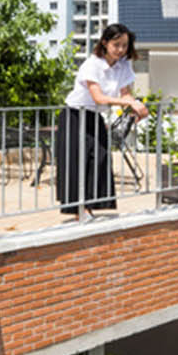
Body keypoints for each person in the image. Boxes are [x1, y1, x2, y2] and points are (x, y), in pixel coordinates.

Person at [56, 23, 148, 220]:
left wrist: (136, 106)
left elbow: (125, 94)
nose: (120, 49)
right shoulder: (92, 64)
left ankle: (92, 204)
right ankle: (80, 210)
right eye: (116, 45)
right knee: (76, 162)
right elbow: (98, 97)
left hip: (93, 116)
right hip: (74, 115)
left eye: (124, 45)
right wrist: (128, 102)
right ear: (105, 43)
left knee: (101, 157)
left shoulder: (124, 65)